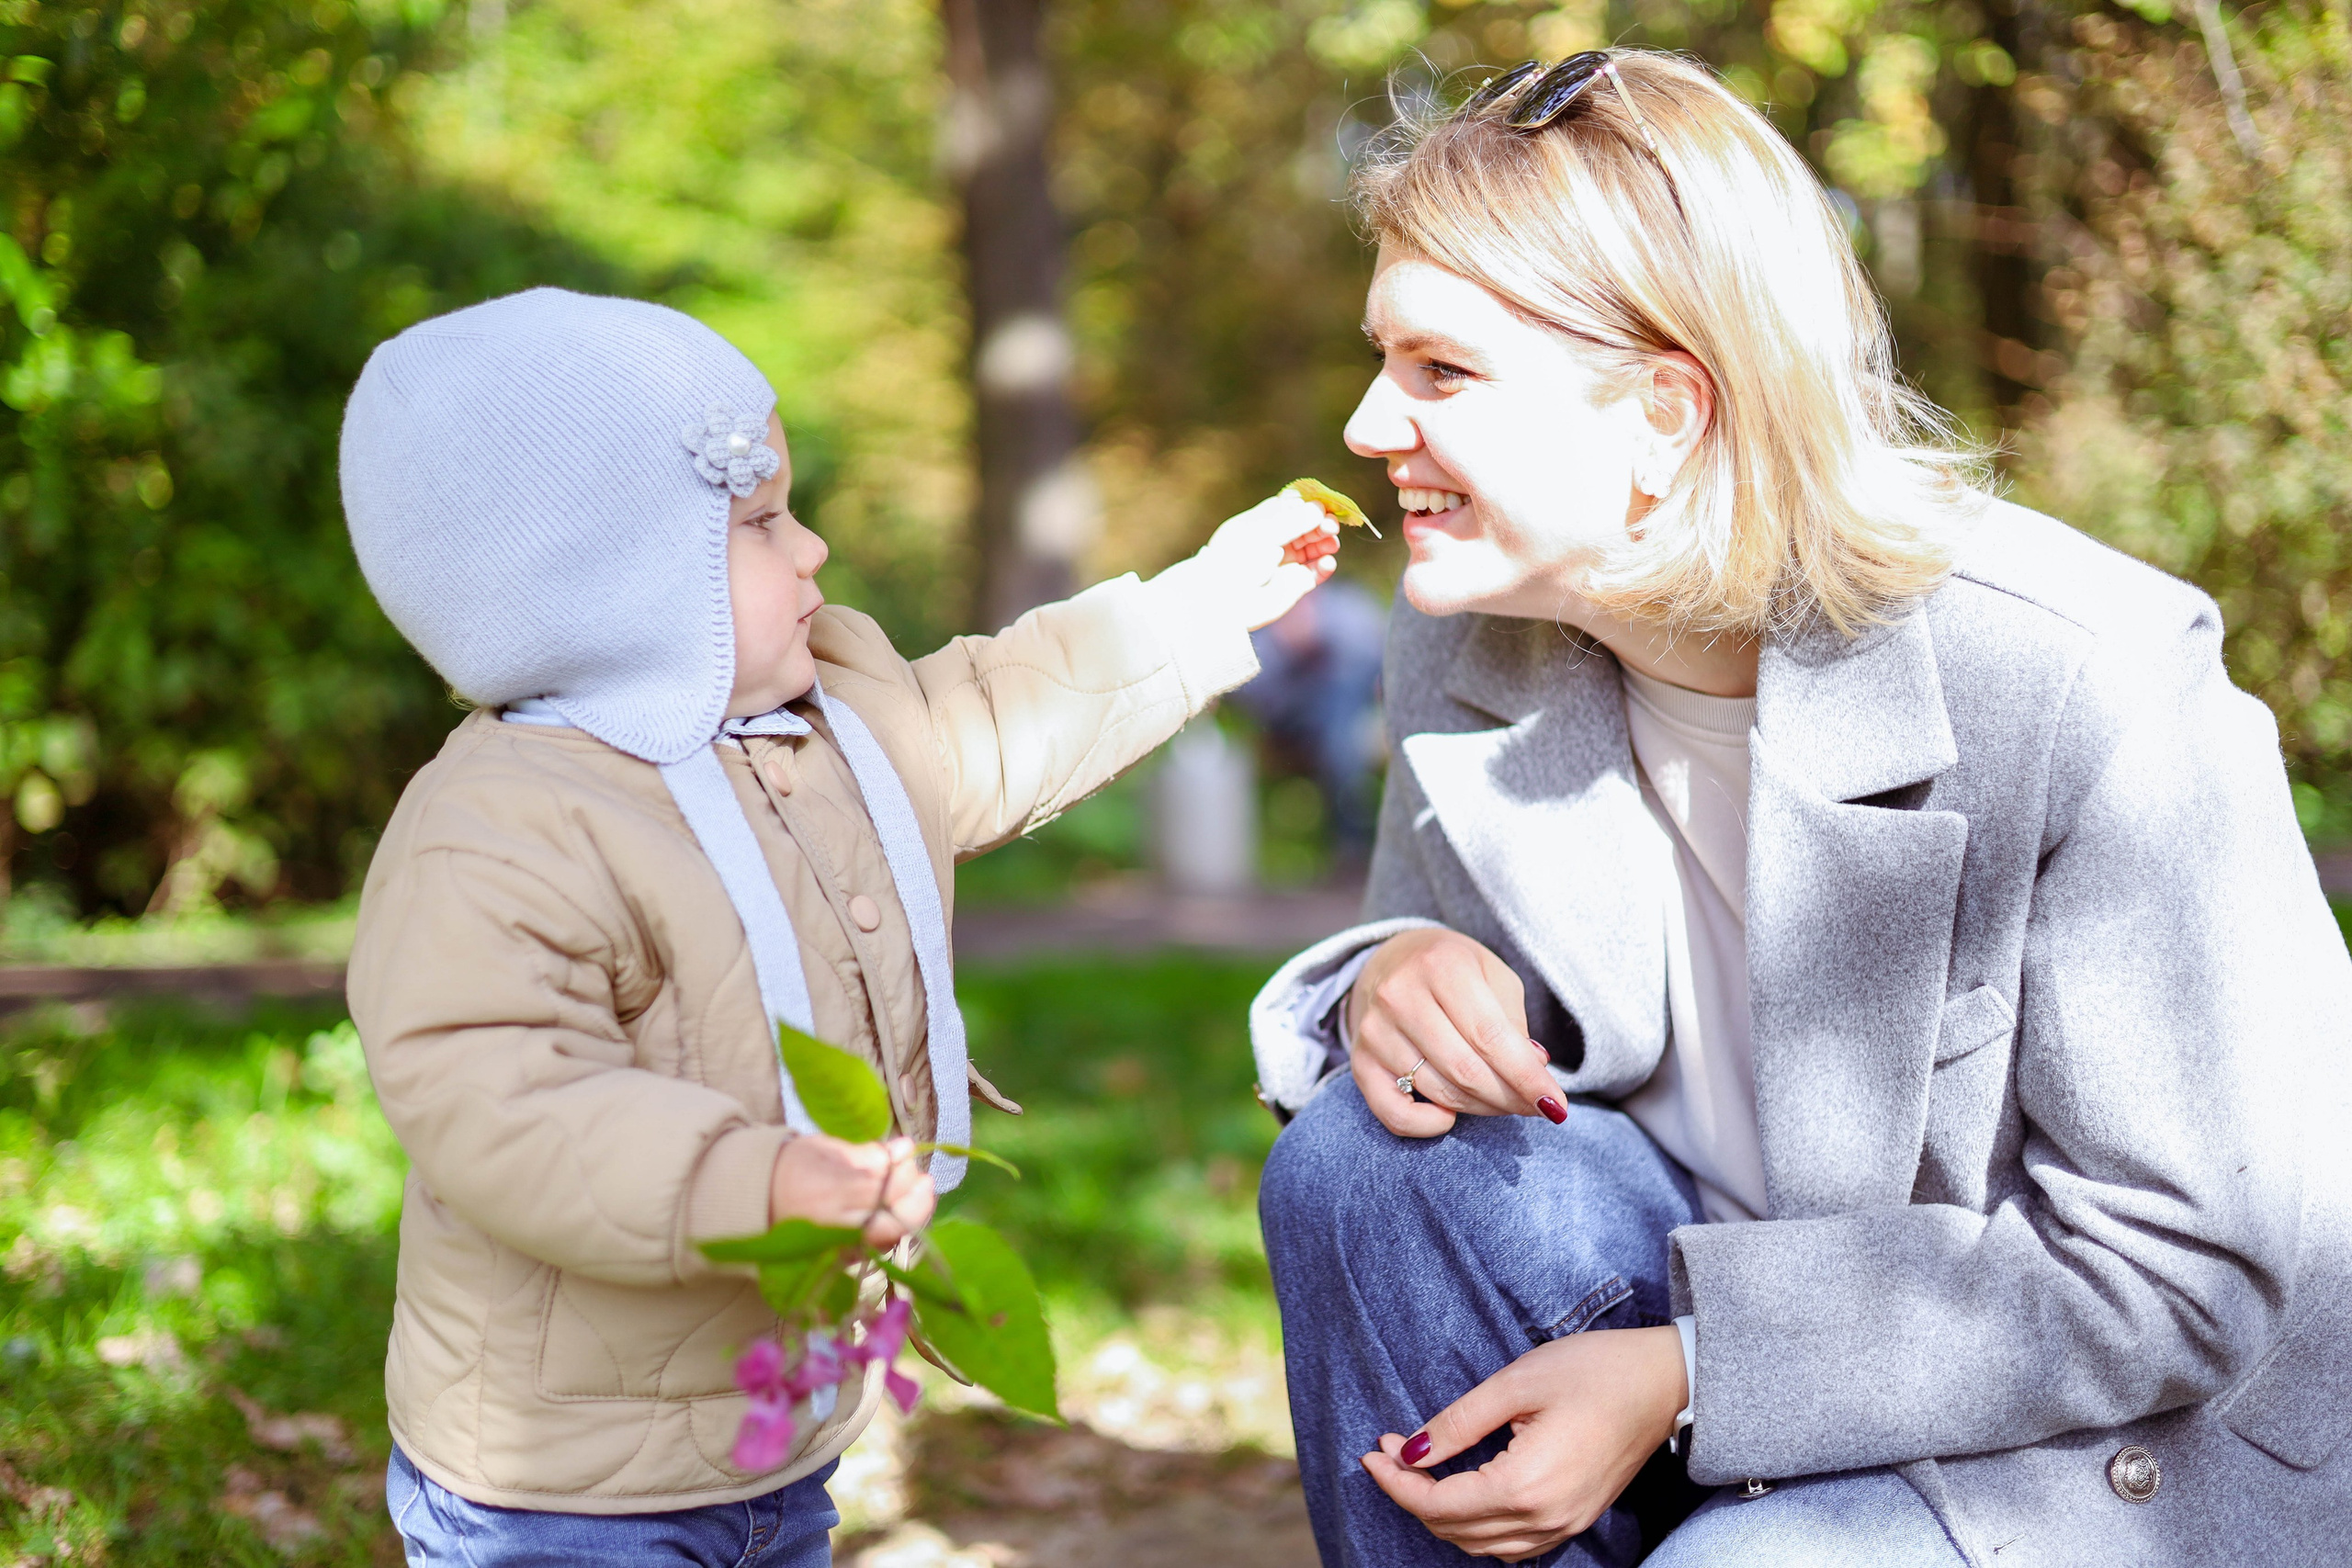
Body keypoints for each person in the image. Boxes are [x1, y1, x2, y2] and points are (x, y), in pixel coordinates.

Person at [1248, 49, 2351, 1567]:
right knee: (1364, 1170)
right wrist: (1387, 977)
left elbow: (2184, 1273)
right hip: (1709, 1322)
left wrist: (1696, 1373)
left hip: (2098, 1440)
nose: (1371, 424)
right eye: (1385, 359)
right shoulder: (1474, 631)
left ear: (1666, 413)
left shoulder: (2081, 681)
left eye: (1441, 373)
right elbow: (1446, 987)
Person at [336, 287, 1339, 1565]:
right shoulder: (510, 824)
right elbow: (502, 1091)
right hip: (563, 1479)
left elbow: (1000, 708)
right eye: (759, 524)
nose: (811, 549)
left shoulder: (840, 715)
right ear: (609, 586)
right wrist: (751, 1176)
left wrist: (1200, 608)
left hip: (777, 1431)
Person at [1233, 578, 1389, 862]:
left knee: (1339, 711)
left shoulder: (1347, 608)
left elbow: (1377, 663)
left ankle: (1353, 843)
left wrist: (1324, 640)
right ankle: (1354, 840)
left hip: (1353, 715)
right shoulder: (1263, 625)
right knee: (1338, 728)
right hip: (1292, 725)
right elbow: (1254, 697)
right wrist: (1287, 650)